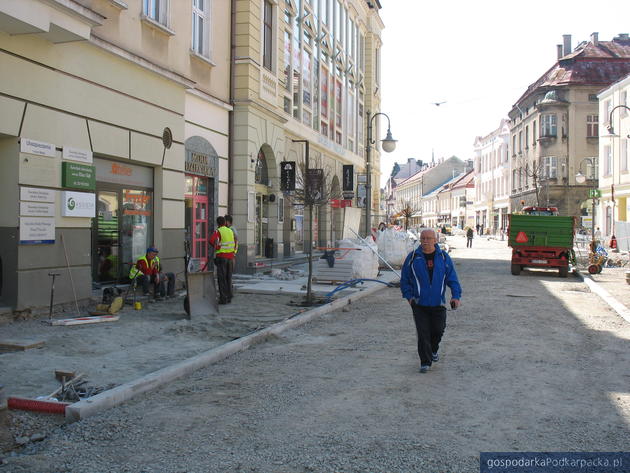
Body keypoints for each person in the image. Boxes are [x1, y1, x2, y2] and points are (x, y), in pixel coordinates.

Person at [400, 229, 462, 373]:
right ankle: (425, 362)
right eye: (423, 238)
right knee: (423, 334)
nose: (426, 241)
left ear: (435, 240)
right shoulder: (413, 257)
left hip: (438, 303)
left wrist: (455, 296)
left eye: (429, 238)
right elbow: (405, 280)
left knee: (438, 330)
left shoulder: (444, 258)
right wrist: (409, 297)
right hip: (419, 304)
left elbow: (452, 279)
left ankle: (433, 351)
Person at [209, 216, 236, 304]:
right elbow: (234, 243)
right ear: (225, 222)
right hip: (230, 258)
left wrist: (217, 247)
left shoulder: (218, 231)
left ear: (218, 223)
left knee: (222, 279)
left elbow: (211, 240)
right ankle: (229, 297)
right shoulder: (230, 231)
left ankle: (223, 298)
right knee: (229, 278)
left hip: (222, 257)